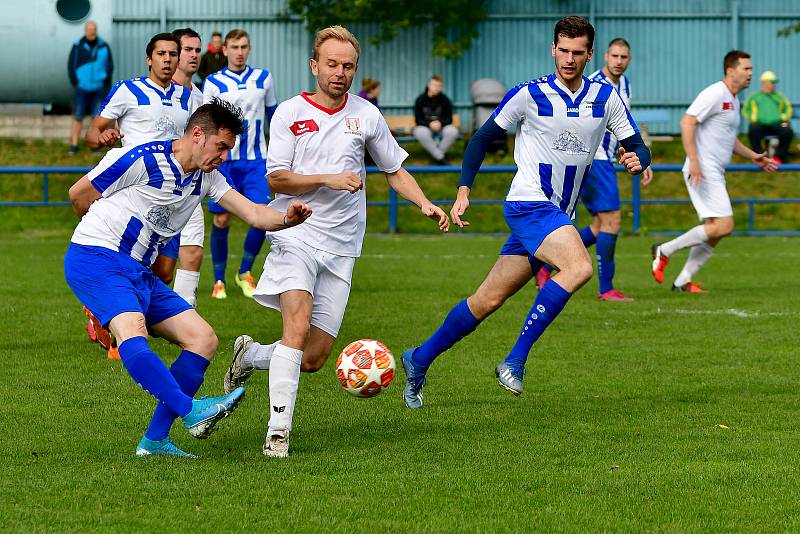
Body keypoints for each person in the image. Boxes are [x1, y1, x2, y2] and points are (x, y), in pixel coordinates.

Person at [400, 16, 650, 408]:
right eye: (562, 50)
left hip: (555, 216)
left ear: (588, 55)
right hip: (529, 203)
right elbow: (481, 139)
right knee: (580, 267)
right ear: (553, 49)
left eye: (577, 52)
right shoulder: (529, 94)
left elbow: (636, 141)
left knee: (486, 301)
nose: (569, 59)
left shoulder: (606, 98)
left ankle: (419, 358)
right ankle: (514, 360)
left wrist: (638, 157)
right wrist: (464, 189)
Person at [222, 26, 449, 457]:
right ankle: (278, 431)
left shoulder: (367, 115)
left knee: (313, 356)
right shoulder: (289, 112)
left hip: (342, 245)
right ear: (315, 65)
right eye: (331, 64)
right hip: (295, 234)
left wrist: (424, 204)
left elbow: (394, 169)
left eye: (347, 66)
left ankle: (249, 357)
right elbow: (276, 177)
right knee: (296, 327)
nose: (339, 72)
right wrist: (328, 178)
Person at [64, 99, 312, 458]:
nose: (224, 156)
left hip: (138, 271)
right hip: (97, 257)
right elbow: (78, 196)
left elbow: (256, 214)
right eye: (221, 146)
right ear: (198, 134)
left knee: (203, 339)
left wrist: (288, 218)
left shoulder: (206, 178)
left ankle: (155, 441)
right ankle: (191, 409)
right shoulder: (143, 157)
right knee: (132, 329)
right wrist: (98, 255)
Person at [83, 32, 196, 359]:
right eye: (161, 54)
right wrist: (102, 137)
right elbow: (93, 132)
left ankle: (108, 314)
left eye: (172, 54)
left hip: (169, 199)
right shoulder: (127, 90)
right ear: (149, 58)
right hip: (131, 198)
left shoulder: (188, 99)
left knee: (162, 272)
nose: (167, 59)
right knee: (127, 266)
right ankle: (121, 338)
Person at [538, 38, 654, 301]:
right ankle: (606, 288)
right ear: (603, 56)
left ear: (629, 59)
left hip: (608, 157)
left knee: (601, 225)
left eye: (624, 57)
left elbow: (620, 126)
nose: (619, 61)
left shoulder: (624, 84)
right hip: (594, 158)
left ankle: (545, 265)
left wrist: (636, 155)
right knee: (612, 219)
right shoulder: (592, 84)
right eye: (614, 56)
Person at [652, 51, 776, 292]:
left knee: (715, 232)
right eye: (746, 69)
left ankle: (682, 282)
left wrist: (754, 156)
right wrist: (695, 161)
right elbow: (687, 122)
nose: (751, 73)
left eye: (751, 69)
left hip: (713, 169)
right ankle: (664, 250)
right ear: (731, 71)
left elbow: (729, 140)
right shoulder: (715, 93)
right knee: (725, 225)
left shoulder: (734, 100)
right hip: (703, 169)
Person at [202, 29, 278, 300]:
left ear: (250, 48)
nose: (239, 51)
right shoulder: (212, 82)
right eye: (234, 47)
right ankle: (219, 280)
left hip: (257, 160)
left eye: (244, 46)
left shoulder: (264, 78)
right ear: (224, 50)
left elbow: (274, 116)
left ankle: (245, 271)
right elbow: (207, 123)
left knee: (263, 217)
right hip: (225, 161)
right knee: (221, 220)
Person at [154, 28, 207, 309]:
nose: (193, 56)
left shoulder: (199, 97)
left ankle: (185, 313)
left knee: (193, 250)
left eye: (197, 50)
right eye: (187, 50)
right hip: (154, 188)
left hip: (188, 186)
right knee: (160, 270)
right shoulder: (154, 92)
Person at [67, 21, 113, 155]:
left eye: (94, 29)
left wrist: (105, 83)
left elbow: (109, 67)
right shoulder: (77, 46)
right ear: (85, 30)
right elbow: (71, 66)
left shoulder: (104, 46)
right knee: (78, 116)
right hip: (82, 87)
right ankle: (74, 145)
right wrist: (76, 83)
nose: (92, 32)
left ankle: (95, 146)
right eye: (89, 29)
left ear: (96, 30)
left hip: (98, 88)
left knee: (96, 118)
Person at [742, 70, 793, 164]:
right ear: (763, 83)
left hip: (778, 124)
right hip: (759, 124)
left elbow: (788, 109)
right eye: (770, 83)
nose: (772, 85)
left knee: (787, 130)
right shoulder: (754, 97)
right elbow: (746, 109)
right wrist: (753, 118)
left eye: (773, 83)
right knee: (753, 129)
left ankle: (778, 157)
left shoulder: (780, 97)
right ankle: (760, 157)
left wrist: (783, 117)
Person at [413, 75, 459, 165]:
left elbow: (449, 119)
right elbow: (418, 119)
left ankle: (436, 156)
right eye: (434, 85)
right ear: (429, 85)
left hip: (442, 127)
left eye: (439, 86)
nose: (437, 88)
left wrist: (440, 123)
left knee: (453, 131)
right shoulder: (420, 100)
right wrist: (430, 124)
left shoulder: (445, 100)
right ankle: (441, 158)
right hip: (426, 127)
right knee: (419, 132)